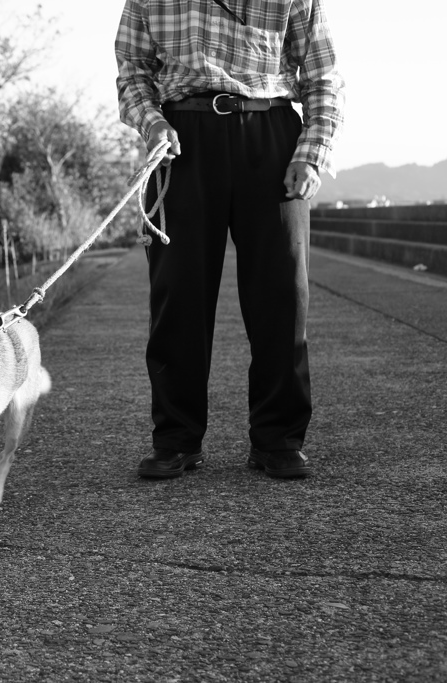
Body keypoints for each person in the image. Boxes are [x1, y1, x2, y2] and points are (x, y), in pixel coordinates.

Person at [114, 0, 344, 479]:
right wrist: (152, 123)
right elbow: (133, 71)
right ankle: (175, 439)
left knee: (282, 297)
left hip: (273, 134)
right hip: (182, 141)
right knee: (178, 297)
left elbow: (322, 76)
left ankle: (277, 440)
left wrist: (313, 152)